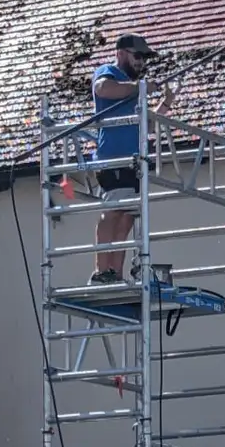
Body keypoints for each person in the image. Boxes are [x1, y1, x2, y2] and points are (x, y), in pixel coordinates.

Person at [89, 34, 167, 285]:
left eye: (144, 58)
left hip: (134, 161)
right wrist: (140, 88)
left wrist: (167, 102)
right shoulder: (109, 72)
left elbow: (148, 125)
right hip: (113, 157)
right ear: (121, 53)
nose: (141, 62)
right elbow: (103, 88)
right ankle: (102, 271)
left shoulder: (134, 91)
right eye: (138, 56)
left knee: (127, 216)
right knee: (113, 211)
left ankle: (115, 273)